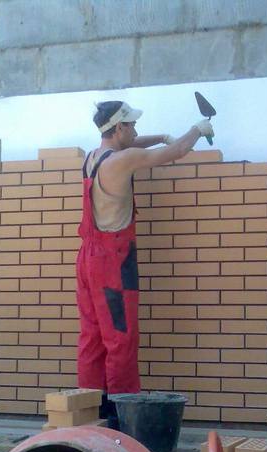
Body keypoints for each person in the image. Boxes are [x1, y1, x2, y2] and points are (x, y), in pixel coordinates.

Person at [77, 101, 214, 428]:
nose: (136, 131)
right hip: (113, 262)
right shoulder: (122, 161)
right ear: (119, 128)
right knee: (121, 338)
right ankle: (123, 417)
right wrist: (197, 129)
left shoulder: (93, 157)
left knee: (93, 338)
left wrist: (160, 135)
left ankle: (89, 411)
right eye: (133, 126)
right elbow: (177, 152)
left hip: (88, 259)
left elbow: (134, 143)